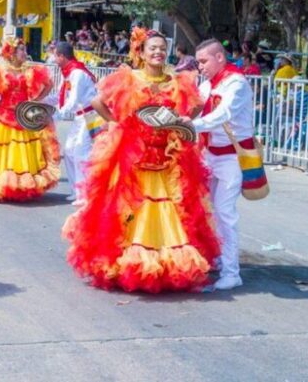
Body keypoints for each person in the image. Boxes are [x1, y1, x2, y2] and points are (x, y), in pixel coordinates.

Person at [62, 28, 219, 293]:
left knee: (174, 208)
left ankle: (167, 266)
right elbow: (98, 102)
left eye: (161, 48)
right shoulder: (129, 78)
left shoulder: (178, 80)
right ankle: (129, 265)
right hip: (133, 153)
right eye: (152, 48)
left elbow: (196, 105)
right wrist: (118, 124)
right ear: (141, 52)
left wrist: (182, 122)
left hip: (168, 154)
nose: (158, 52)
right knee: (127, 208)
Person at [190, 38, 255, 291]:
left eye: (204, 61)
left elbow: (222, 115)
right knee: (208, 210)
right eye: (198, 62)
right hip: (209, 154)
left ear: (220, 58)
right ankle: (217, 257)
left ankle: (232, 272)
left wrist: (188, 124)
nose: (201, 66)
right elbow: (195, 109)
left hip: (232, 158)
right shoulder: (207, 85)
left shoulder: (236, 83)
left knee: (225, 214)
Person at [0, 38, 60, 201]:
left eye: (24, 49)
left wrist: (36, 100)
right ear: (12, 53)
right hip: (3, 116)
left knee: (24, 152)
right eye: (21, 50)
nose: (25, 53)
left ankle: (22, 185)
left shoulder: (30, 70)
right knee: (3, 151)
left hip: (24, 117)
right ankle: (2, 184)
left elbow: (49, 84)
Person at [50, 42, 100, 205]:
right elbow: (59, 97)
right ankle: (76, 190)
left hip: (90, 116)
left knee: (80, 153)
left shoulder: (77, 73)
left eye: (54, 55)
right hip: (80, 118)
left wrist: (56, 116)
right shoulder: (69, 73)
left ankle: (85, 194)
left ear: (61, 56)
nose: (53, 59)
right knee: (69, 151)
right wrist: (37, 99)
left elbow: (73, 101)